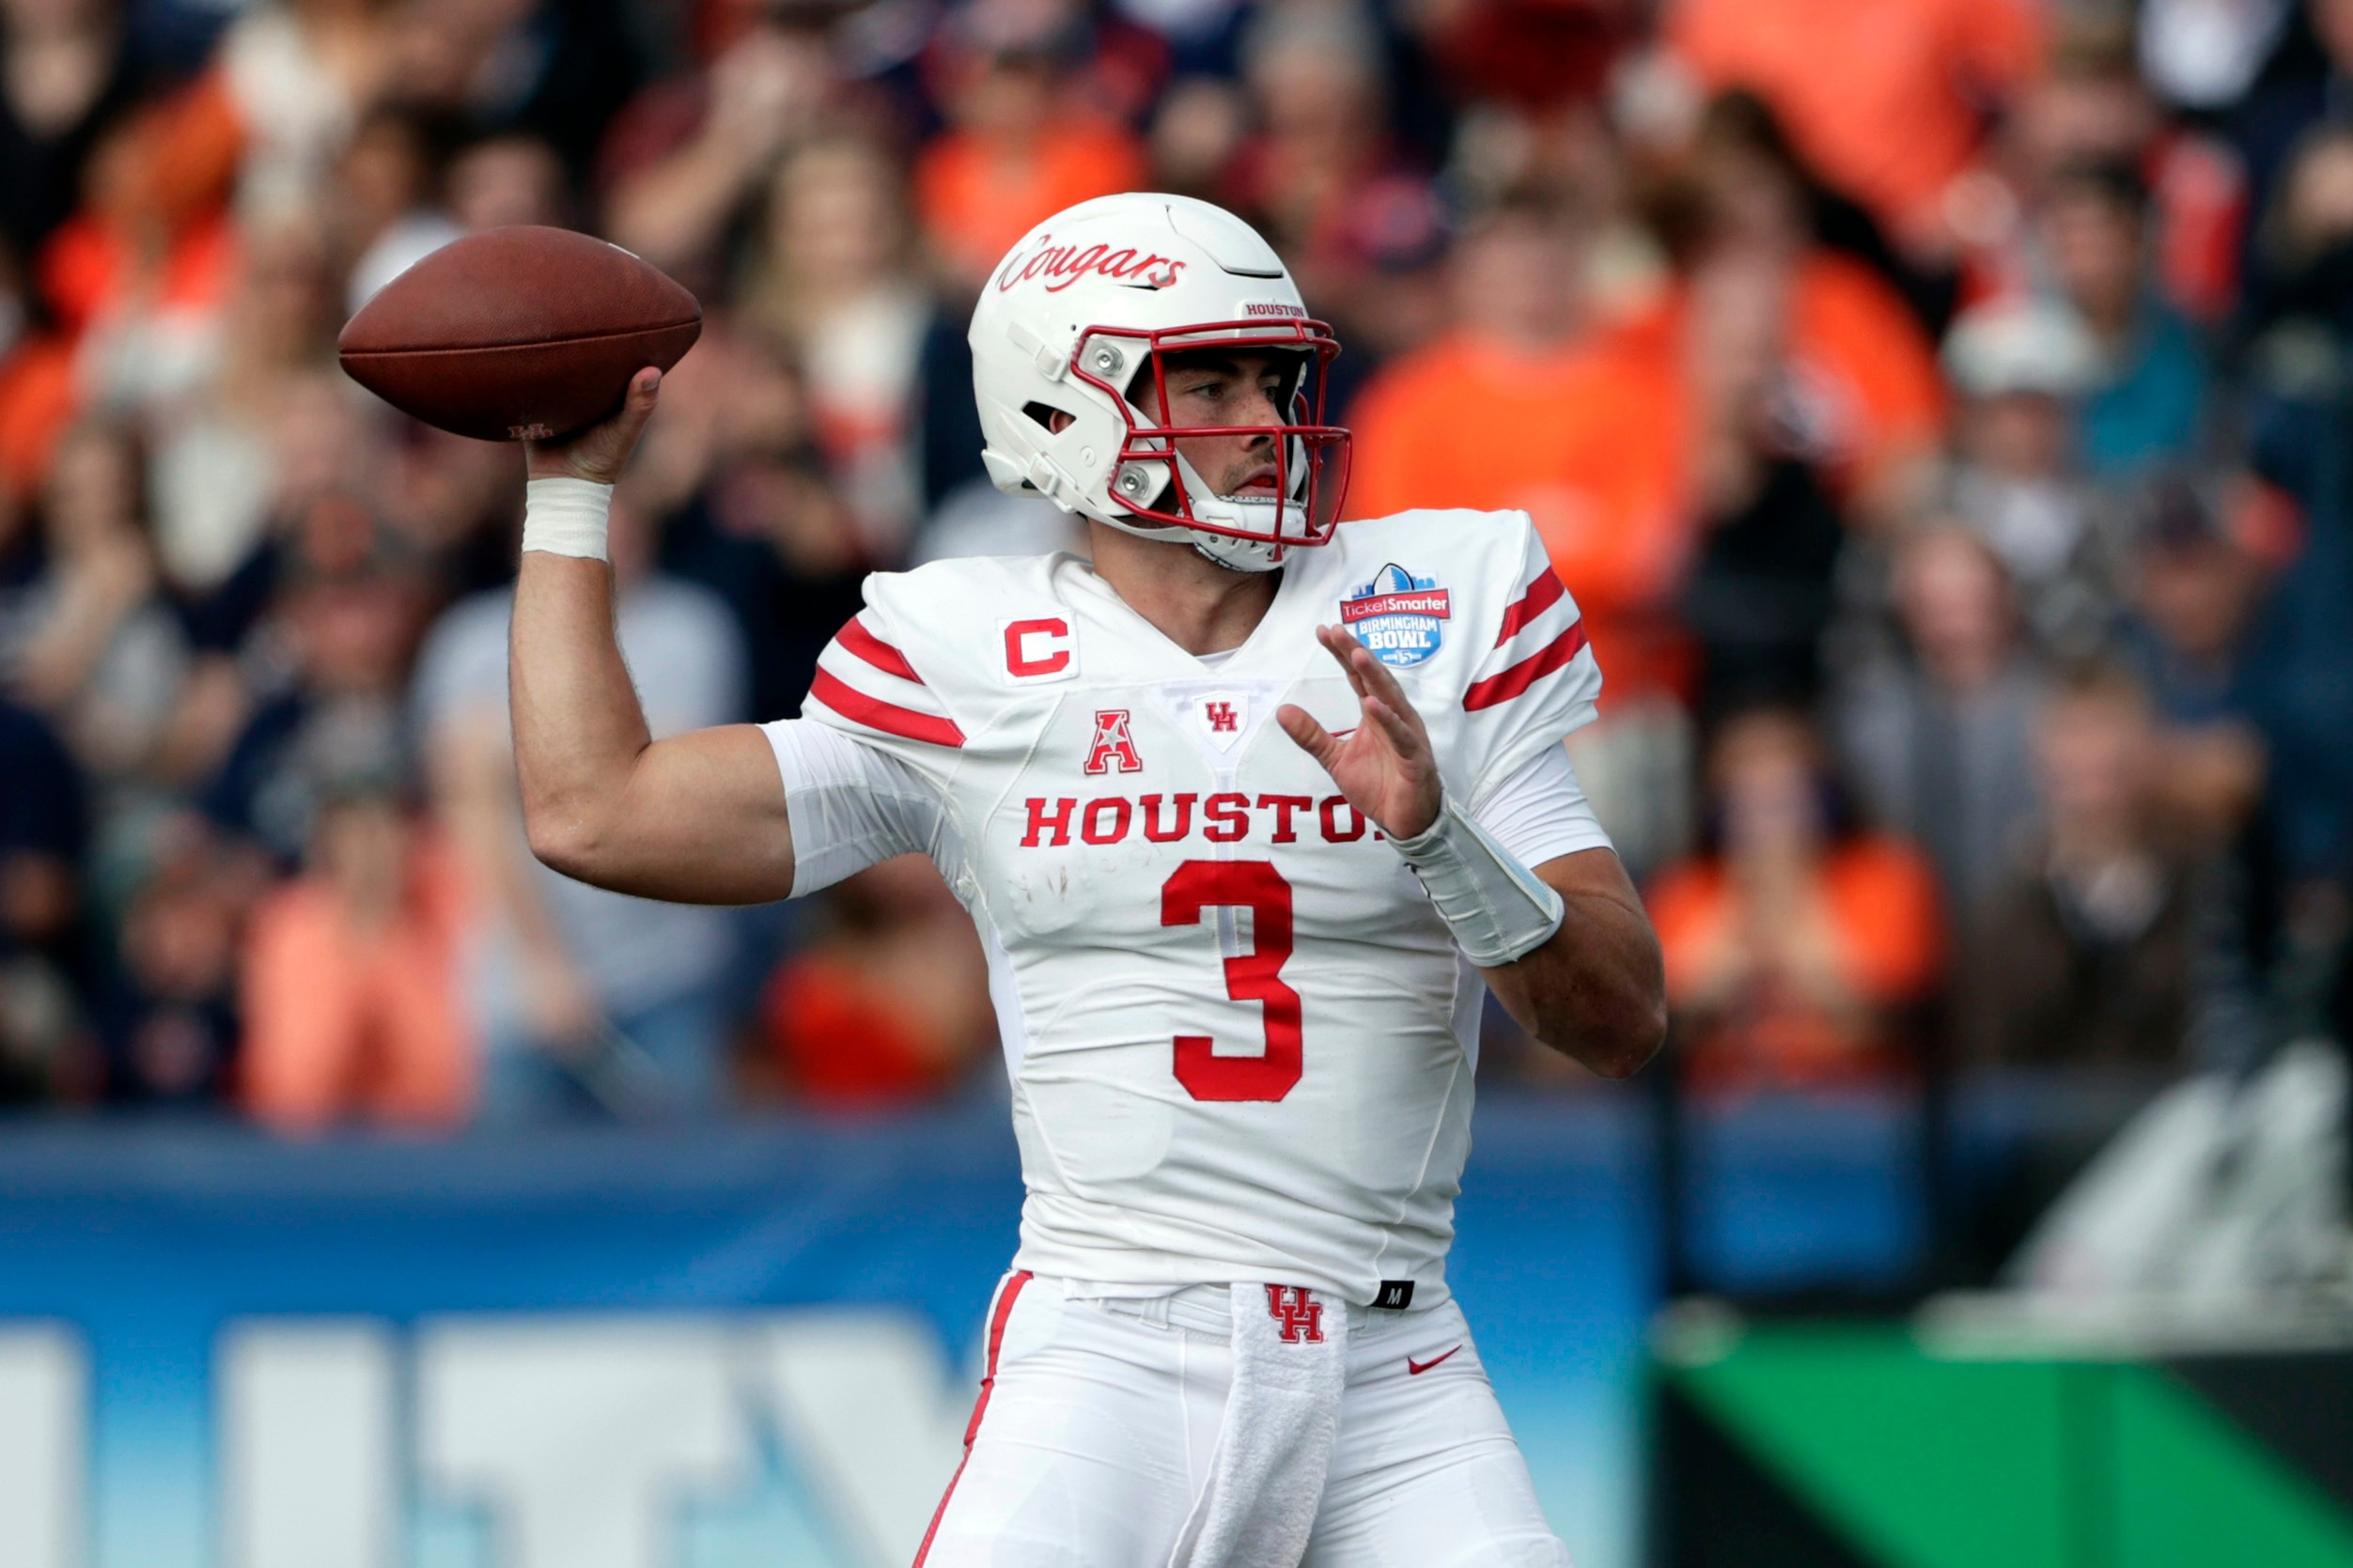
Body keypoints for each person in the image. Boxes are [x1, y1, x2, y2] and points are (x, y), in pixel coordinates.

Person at [508, 193, 1663, 1563]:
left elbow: (1620, 1017)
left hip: (1391, 1363)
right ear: (1065, 411)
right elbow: (597, 810)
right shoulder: (968, 647)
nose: (1264, 418)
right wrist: (572, 494)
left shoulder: (1436, 605)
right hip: (1108, 1351)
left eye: (1276, 377)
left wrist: (1441, 841)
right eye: (1211, 379)